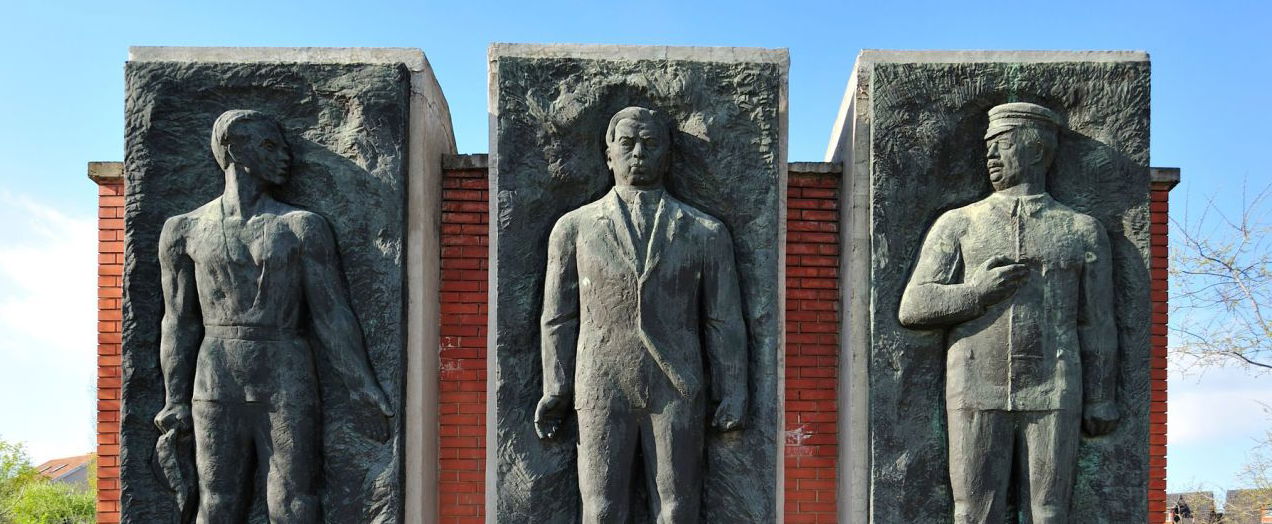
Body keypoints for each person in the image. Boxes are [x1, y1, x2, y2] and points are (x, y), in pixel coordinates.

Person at [152, 109, 393, 523]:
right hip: (216, 374)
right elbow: (177, 321)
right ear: (234, 150)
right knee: (217, 501)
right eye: (269, 145)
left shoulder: (302, 227)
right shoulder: (183, 230)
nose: (285, 156)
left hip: (285, 371)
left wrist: (362, 386)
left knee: (295, 501)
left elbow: (331, 313)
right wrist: (174, 398)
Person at [898, 102, 1120, 523]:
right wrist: (976, 293)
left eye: (1002, 144)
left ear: (1036, 150)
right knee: (973, 511)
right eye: (989, 146)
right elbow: (914, 306)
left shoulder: (1081, 229)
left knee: (1050, 512)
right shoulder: (959, 223)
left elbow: (1098, 321)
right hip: (975, 385)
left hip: (1054, 386)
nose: (990, 155)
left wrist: (1101, 396)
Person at [534, 106, 748, 523]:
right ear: (608, 154)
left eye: (650, 144)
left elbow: (723, 318)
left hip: (676, 386)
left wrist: (733, 389)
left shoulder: (706, 232)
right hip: (601, 385)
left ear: (667, 156)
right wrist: (556, 387)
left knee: (677, 510)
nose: (638, 153)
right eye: (627, 143)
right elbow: (558, 317)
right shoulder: (573, 229)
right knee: (601, 511)